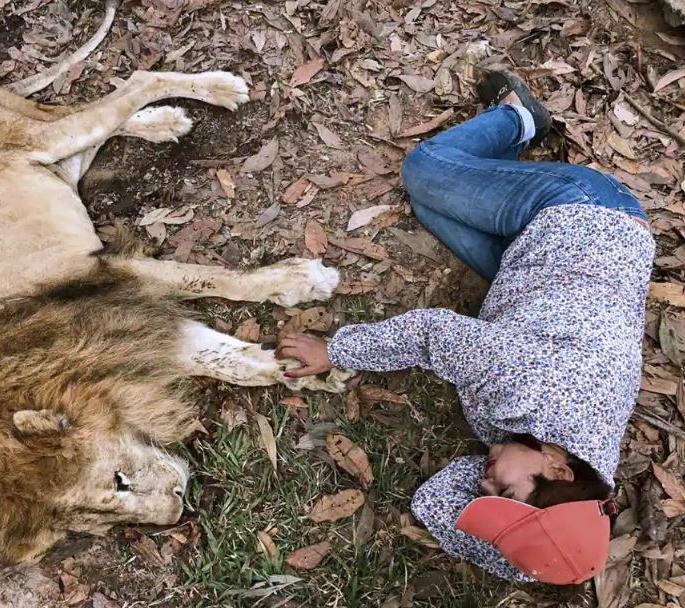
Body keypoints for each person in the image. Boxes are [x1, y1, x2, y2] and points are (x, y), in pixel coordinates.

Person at [276, 71, 655, 584]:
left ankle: (484, 175)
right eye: (506, 492)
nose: (483, 484)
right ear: (559, 469)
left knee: (432, 207)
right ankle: (520, 116)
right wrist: (337, 351)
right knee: (423, 172)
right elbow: (433, 333)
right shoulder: (530, 390)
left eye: (489, 502)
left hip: (548, 277)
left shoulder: (570, 498)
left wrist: (507, 527)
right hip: (587, 214)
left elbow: (437, 503)